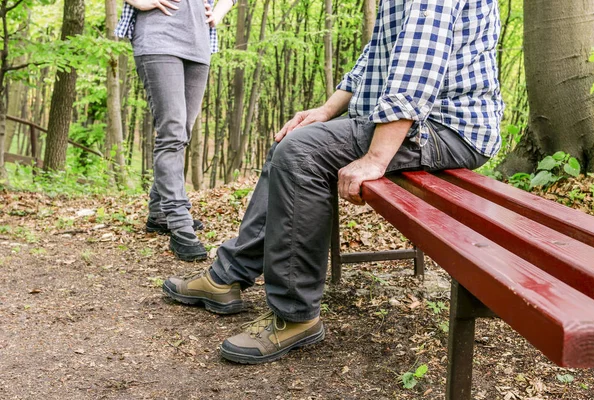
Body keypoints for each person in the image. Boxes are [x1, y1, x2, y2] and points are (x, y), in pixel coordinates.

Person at [163, 0, 504, 364]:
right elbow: (377, 55)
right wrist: (326, 110)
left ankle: (296, 315)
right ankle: (227, 277)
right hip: (418, 122)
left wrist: (376, 158)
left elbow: (417, 63)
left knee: (301, 153)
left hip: (445, 127)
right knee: (291, 140)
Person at [115, 0, 236, 261]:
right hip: (158, 38)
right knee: (172, 132)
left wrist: (218, 13)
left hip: (199, 43)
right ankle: (180, 222)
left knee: (182, 132)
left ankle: (158, 212)